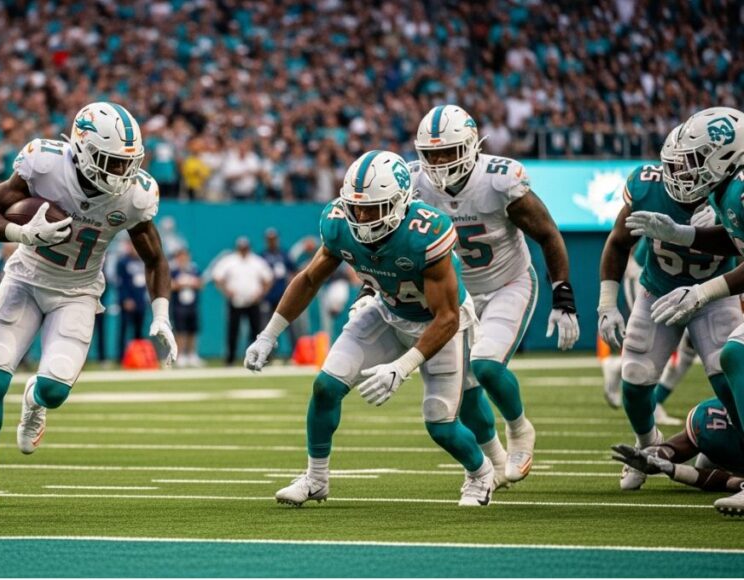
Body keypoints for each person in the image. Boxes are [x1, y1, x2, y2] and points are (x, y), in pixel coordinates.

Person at [246, 150, 495, 507]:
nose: (361, 217)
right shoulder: (338, 223)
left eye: (373, 208)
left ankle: (481, 472)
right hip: (387, 311)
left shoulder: (427, 231)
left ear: (400, 203)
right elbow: (309, 278)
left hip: (438, 326)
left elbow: (448, 316)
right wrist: (268, 335)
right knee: (326, 387)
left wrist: (402, 367)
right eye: (356, 207)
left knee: (440, 423)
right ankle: (316, 479)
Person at [0, 102, 176, 508]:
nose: (122, 174)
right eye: (111, 162)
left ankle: (34, 402)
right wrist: (20, 232)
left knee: (54, 390)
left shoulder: (136, 196)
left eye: (129, 163)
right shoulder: (44, 165)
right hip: (24, 279)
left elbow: (156, 258)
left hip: (77, 292)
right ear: (82, 148)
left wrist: (161, 315)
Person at [411, 104, 579, 485]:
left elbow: (548, 234)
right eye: (431, 153)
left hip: (508, 283)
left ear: (471, 147)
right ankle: (494, 462)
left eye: (448, 151)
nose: (438, 162)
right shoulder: (413, 184)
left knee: (486, 365)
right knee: (465, 388)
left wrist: (563, 293)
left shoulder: (499, 180)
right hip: (459, 295)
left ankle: (519, 429)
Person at [597, 122, 741, 492]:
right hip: (657, 292)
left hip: (713, 294)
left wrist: (702, 232)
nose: (679, 173)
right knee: (634, 378)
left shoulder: (729, 194)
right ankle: (648, 448)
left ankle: (731, 449)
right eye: (675, 163)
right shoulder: (647, 184)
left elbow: (736, 248)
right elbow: (617, 242)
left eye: (690, 162)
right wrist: (607, 303)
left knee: (728, 379)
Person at [601, 240, 694, 425]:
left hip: (687, 276)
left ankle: (656, 401)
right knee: (658, 344)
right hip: (649, 273)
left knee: (688, 348)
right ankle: (651, 403)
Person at [611, 398, 744, 495]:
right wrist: (656, 456)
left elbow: (730, 482)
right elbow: (678, 447)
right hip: (724, 449)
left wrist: (678, 471)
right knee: (705, 464)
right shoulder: (711, 421)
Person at [213, 237, 272, 366]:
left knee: (256, 331)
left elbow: (268, 279)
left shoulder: (257, 261)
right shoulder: (229, 261)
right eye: (241, 247)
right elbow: (217, 277)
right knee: (233, 331)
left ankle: (256, 358)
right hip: (236, 301)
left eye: (245, 247)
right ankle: (230, 359)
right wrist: (226, 292)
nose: (243, 250)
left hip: (253, 302)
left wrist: (261, 294)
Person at [261, 228, 297, 355]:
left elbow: (294, 272)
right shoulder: (262, 256)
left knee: (289, 326)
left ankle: (294, 353)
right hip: (268, 297)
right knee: (267, 327)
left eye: (274, 239)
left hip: (283, 297)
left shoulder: (284, 254)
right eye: (269, 239)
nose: (272, 242)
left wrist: (290, 288)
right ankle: (267, 355)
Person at [116, 240, 149, 362]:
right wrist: (125, 299)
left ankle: (139, 358)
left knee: (139, 331)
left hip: (140, 299)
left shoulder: (143, 260)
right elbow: (121, 282)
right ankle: (121, 357)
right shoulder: (123, 262)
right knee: (124, 329)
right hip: (128, 300)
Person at [171, 248, 203, 367]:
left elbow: (201, 284)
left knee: (192, 331)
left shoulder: (194, 269)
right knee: (180, 331)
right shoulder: (174, 270)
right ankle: (180, 355)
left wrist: (193, 282)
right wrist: (181, 284)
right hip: (179, 306)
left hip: (192, 305)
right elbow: (169, 285)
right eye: (181, 256)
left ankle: (192, 354)